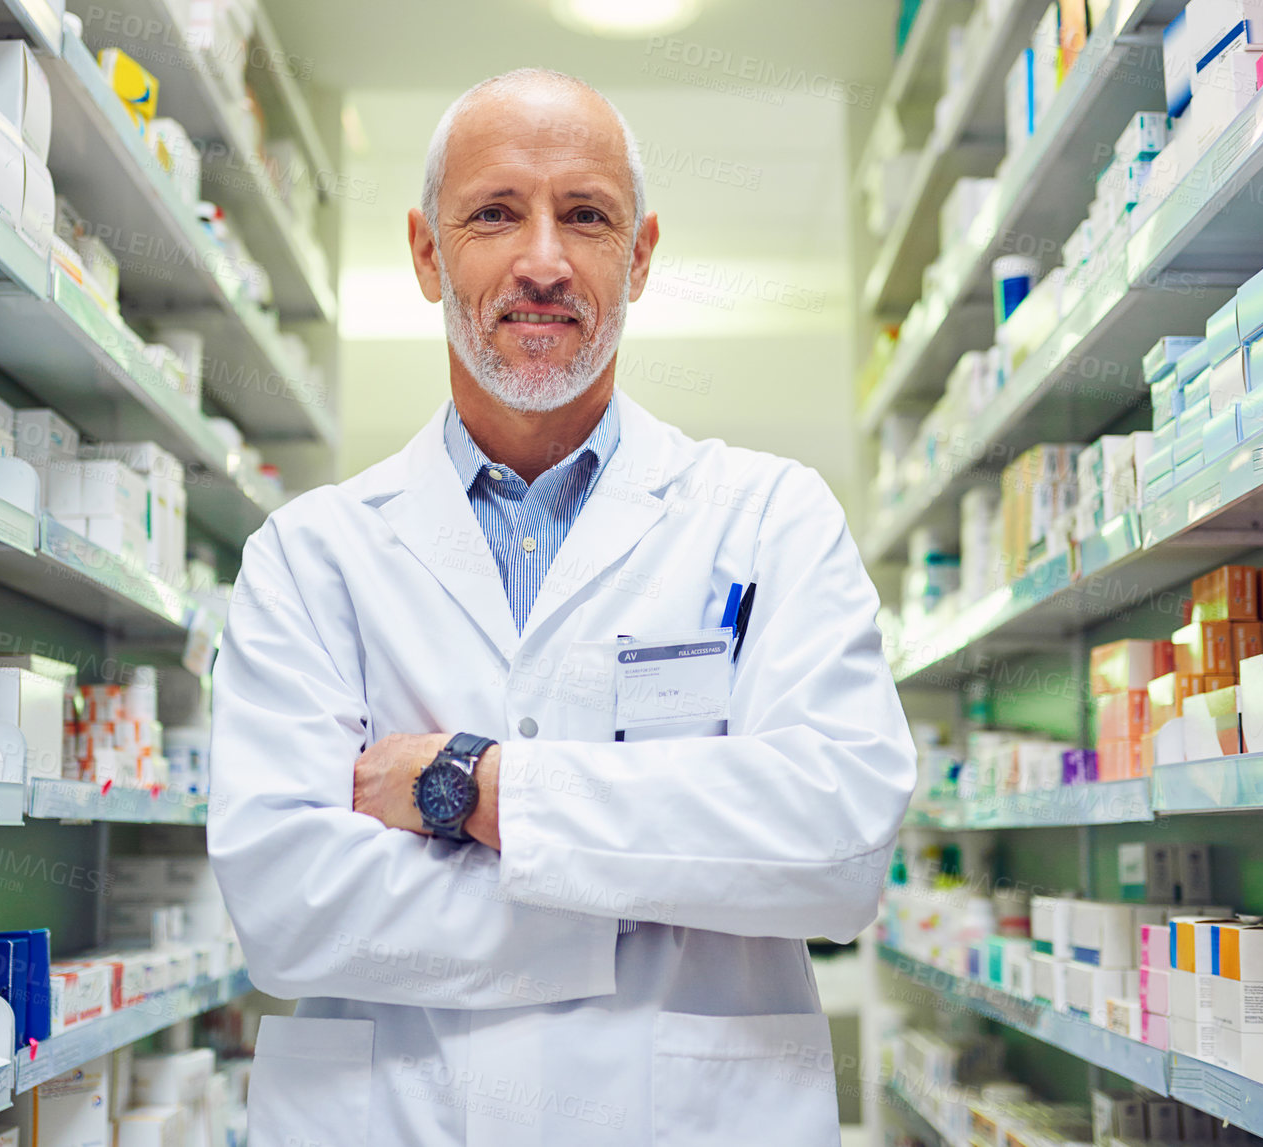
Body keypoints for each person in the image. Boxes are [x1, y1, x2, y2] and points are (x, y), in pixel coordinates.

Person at [209, 67, 915, 1147]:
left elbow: (836, 847)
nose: (542, 260)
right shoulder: (309, 557)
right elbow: (286, 906)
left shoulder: (770, 516)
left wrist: (472, 788)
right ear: (424, 250)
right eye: (495, 213)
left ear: (637, 257)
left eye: (584, 216)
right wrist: (659, 886)